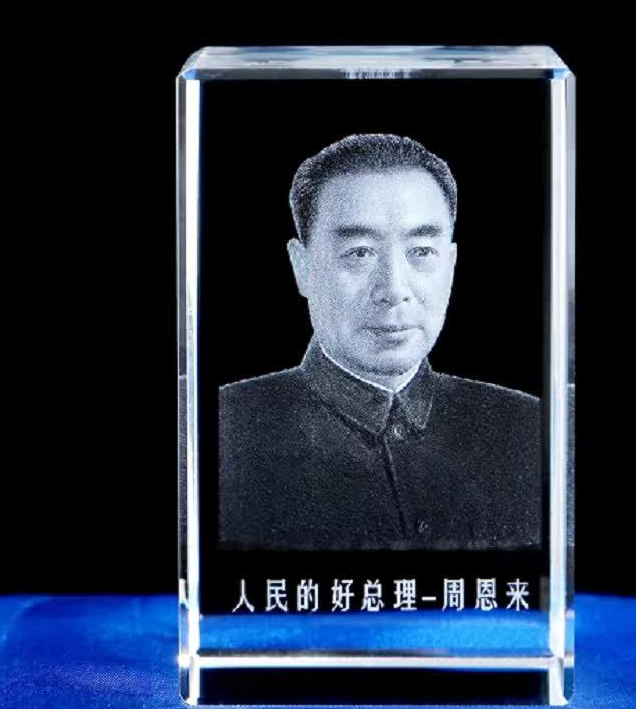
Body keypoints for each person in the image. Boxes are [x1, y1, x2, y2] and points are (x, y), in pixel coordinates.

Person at [218, 134, 541, 551]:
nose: (393, 290)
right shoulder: (212, 427)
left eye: (421, 251)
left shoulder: (535, 427)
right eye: (359, 253)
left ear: (451, 264)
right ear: (302, 267)